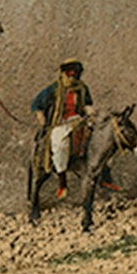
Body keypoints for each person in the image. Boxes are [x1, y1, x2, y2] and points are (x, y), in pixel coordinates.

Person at [31, 59, 94, 197]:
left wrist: (89, 110)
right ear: (64, 74)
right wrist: (40, 116)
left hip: (78, 120)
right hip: (61, 123)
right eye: (69, 74)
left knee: (98, 138)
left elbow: (87, 103)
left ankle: (103, 174)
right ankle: (62, 181)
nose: (72, 77)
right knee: (59, 144)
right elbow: (36, 103)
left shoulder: (82, 88)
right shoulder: (55, 88)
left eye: (75, 74)